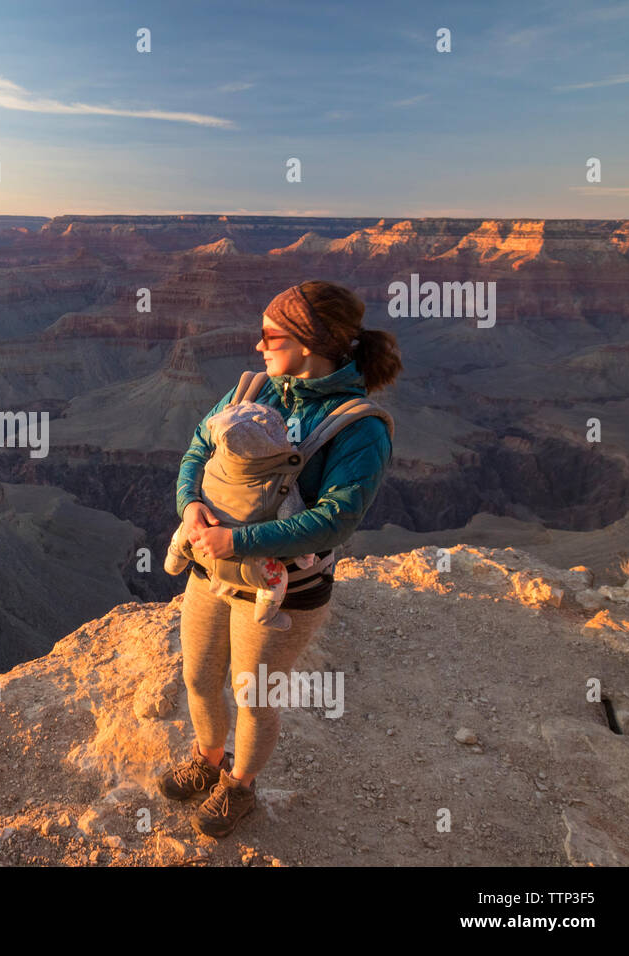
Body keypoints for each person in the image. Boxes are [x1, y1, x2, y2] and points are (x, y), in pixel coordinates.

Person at [157, 279, 402, 839]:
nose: (258, 346)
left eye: (270, 335)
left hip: (285, 588)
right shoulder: (254, 388)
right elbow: (199, 447)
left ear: (310, 344)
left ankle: (238, 787)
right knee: (197, 677)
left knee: (254, 696)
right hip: (210, 570)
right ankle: (207, 757)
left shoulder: (357, 427)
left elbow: (338, 519)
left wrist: (239, 543)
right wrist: (191, 506)